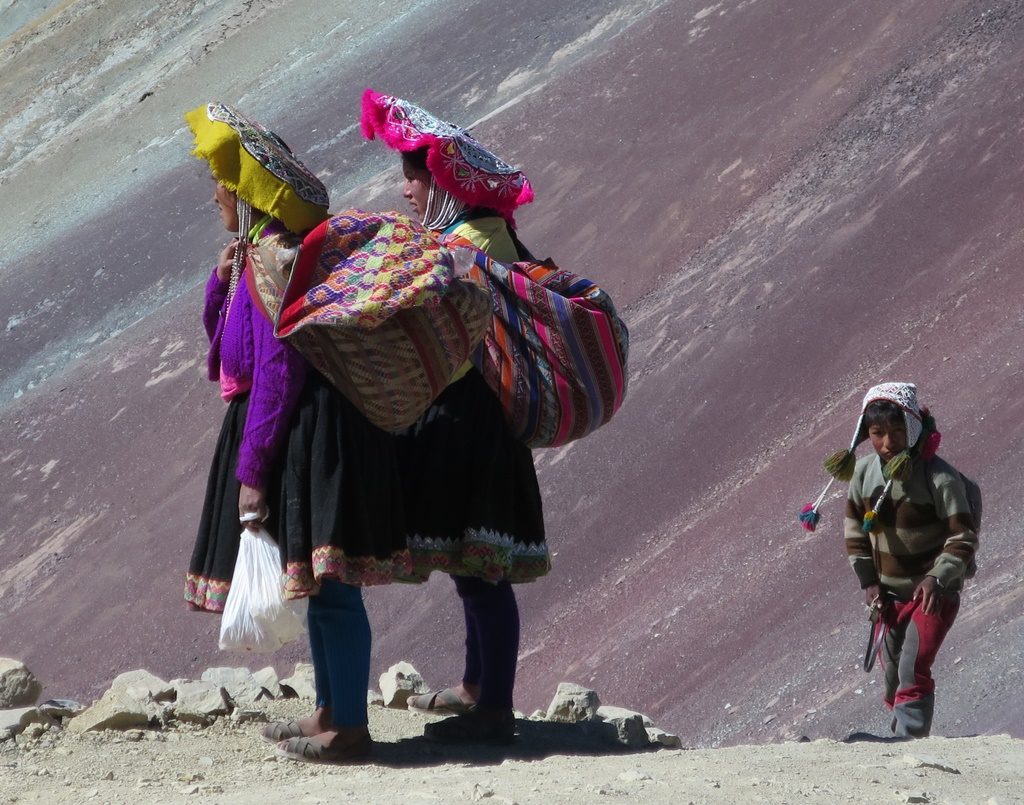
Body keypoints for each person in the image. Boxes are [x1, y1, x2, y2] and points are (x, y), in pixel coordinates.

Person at [183, 102, 409, 763]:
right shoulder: (257, 259)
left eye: (223, 183)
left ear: (247, 192)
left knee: (330, 583)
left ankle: (352, 726)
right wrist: (219, 281)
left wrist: (253, 471)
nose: (217, 195)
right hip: (296, 433)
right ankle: (331, 709)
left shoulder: (276, 264)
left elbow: (277, 374)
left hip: (306, 435)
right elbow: (227, 347)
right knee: (311, 583)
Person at [361, 89, 551, 744]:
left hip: (473, 422)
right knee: (474, 562)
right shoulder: (484, 233)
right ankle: (478, 688)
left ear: (440, 179)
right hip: (482, 418)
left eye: (415, 175)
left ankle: (494, 708)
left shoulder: (466, 246)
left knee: (481, 564)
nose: (406, 188)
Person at [821, 382, 978, 738]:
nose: (888, 443)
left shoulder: (939, 477)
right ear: (866, 433)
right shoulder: (863, 474)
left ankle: (912, 743)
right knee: (892, 675)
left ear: (911, 428)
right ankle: (901, 740)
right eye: (877, 434)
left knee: (913, 666)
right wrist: (869, 582)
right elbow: (855, 533)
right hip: (888, 597)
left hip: (932, 593)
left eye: (896, 432)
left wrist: (937, 577)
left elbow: (963, 535)